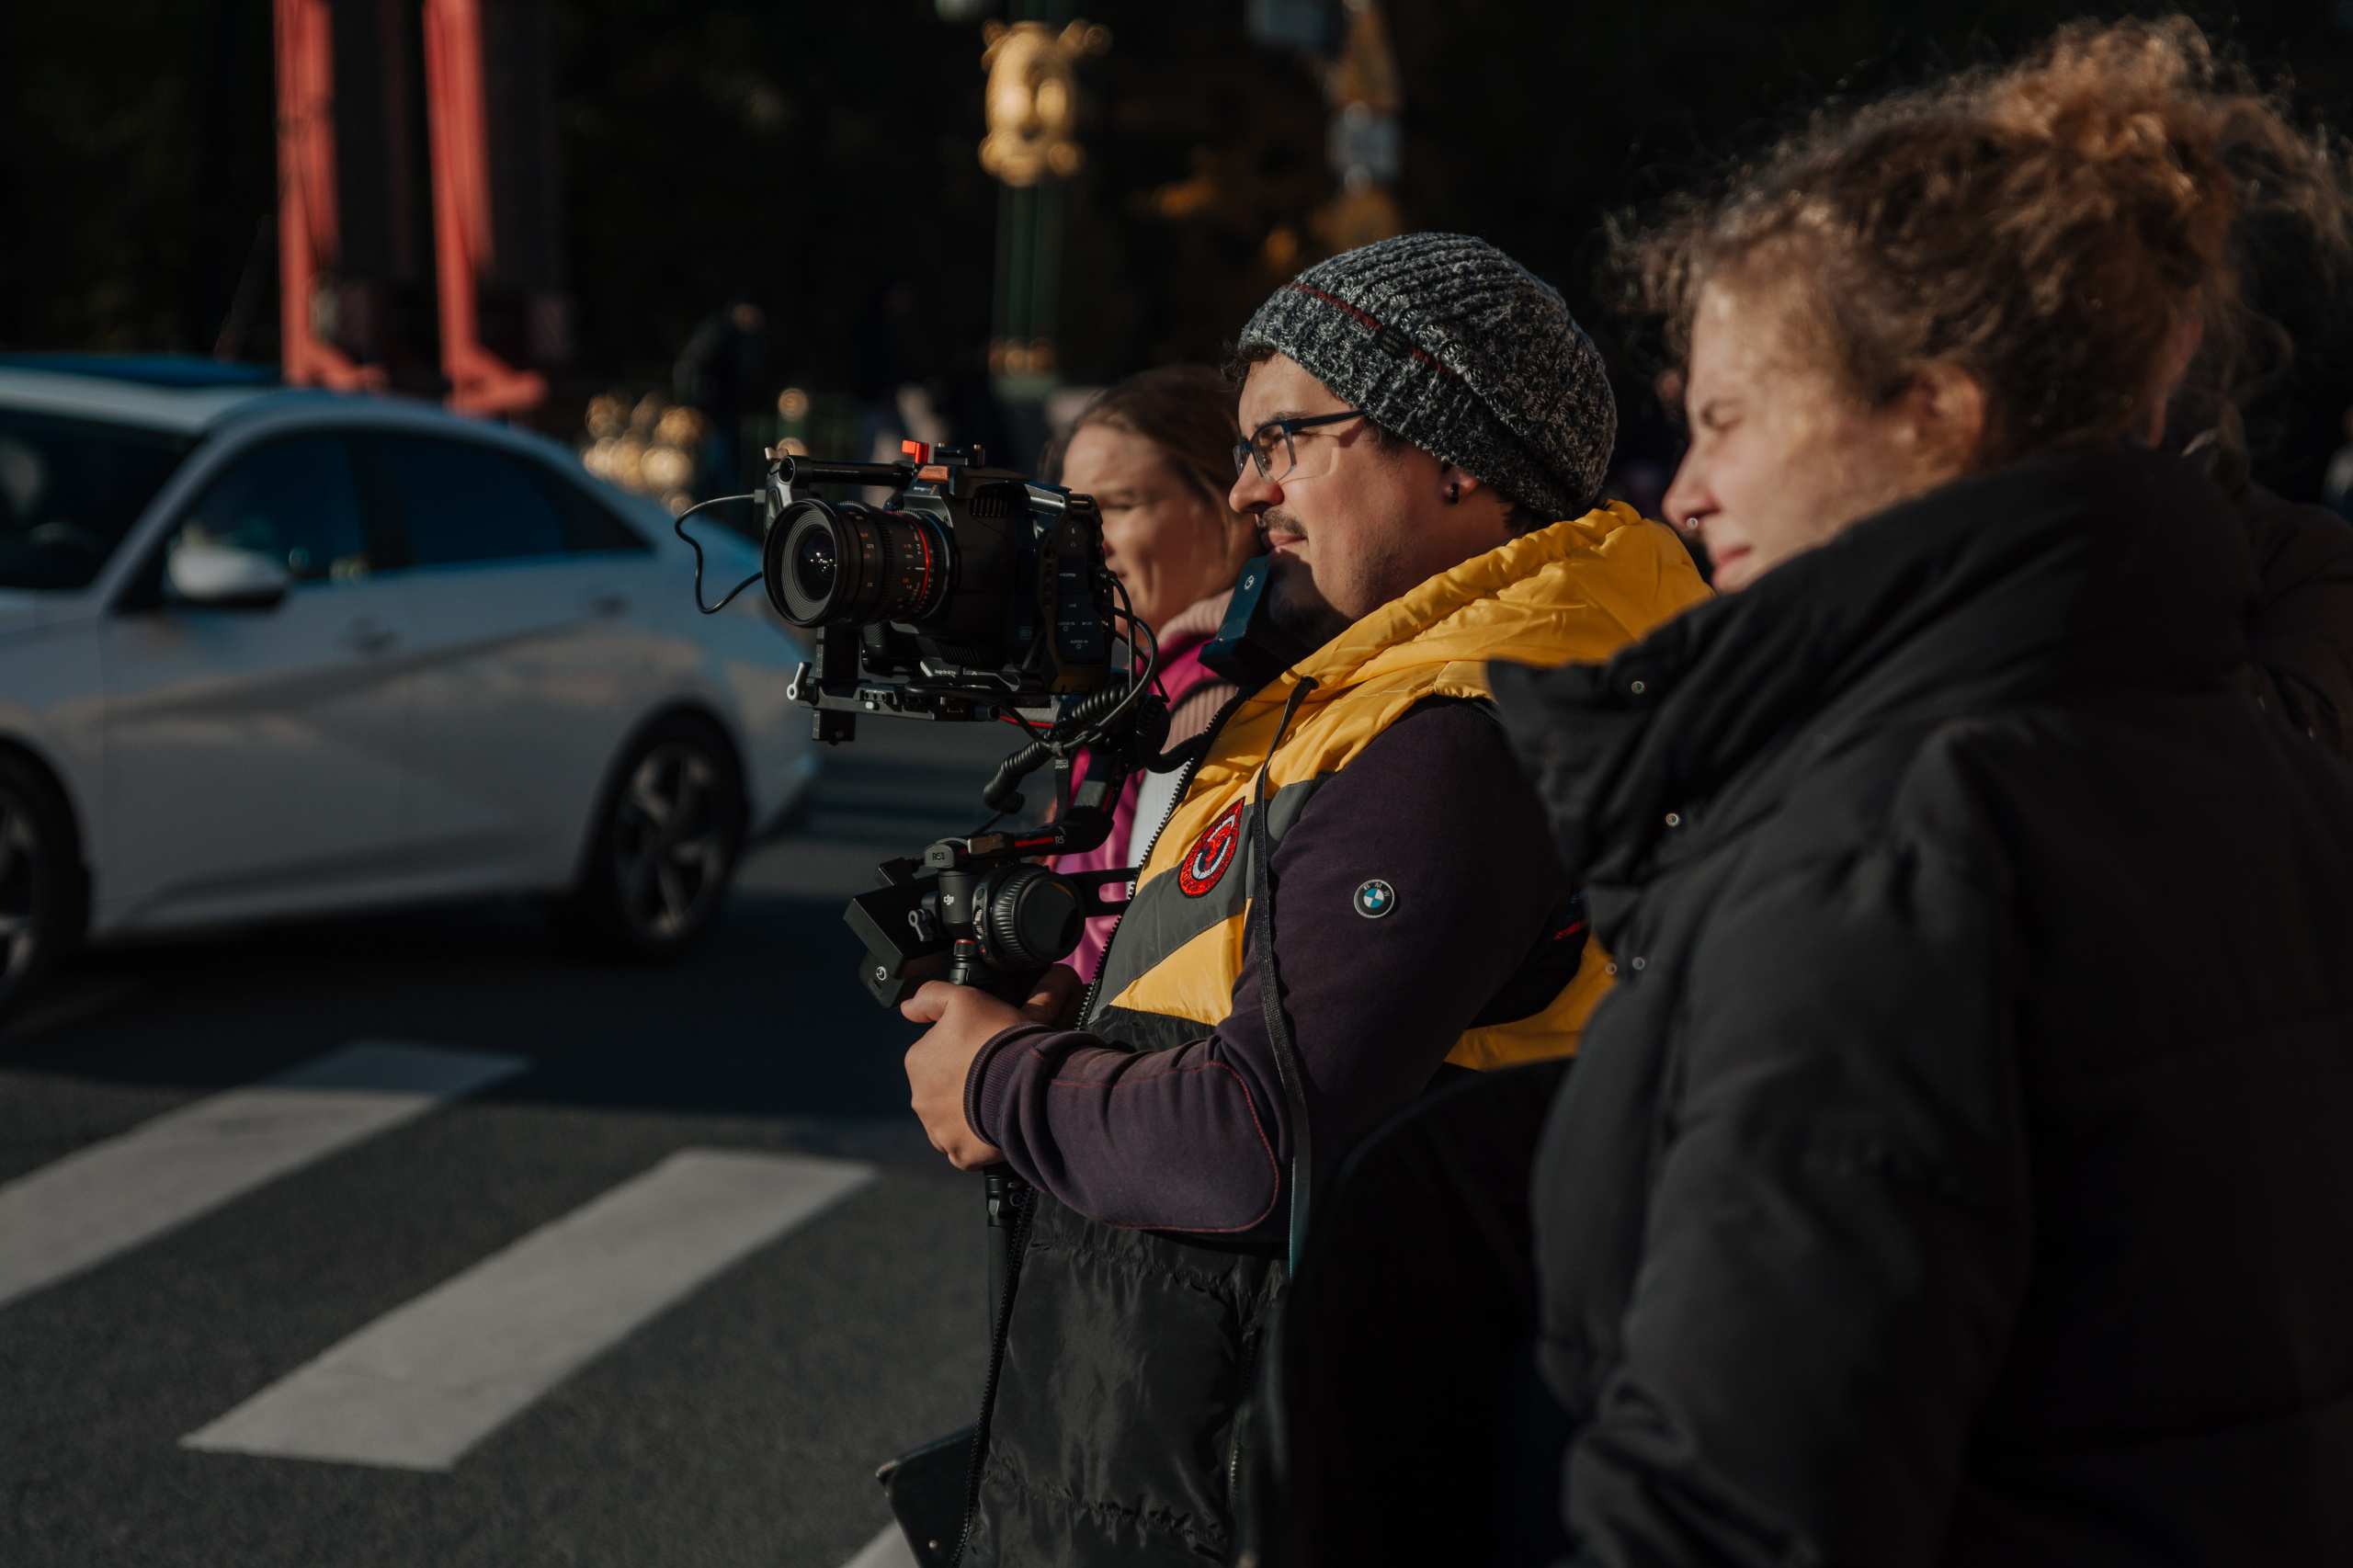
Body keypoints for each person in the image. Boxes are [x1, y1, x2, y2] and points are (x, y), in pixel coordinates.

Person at [1490, 19, 2353, 1565]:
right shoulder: (2272, 782)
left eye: (1728, 417)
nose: (1682, 490)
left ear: (1934, 417)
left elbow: (1733, 1514)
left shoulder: (1898, 857)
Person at [898, 233, 1711, 1565]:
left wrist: (1003, 1082)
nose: (1250, 489)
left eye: (1285, 439)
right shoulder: (1387, 693)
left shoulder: (1464, 730)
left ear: (1454, 456)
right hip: (1212, 1451)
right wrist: (1081, 1022)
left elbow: (1259, 1138)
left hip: (1283, 1477)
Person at [1047, 365, 1261, 979]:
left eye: (1119, 506)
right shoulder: (1151, 683)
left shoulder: (1212, 698)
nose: (1087, 543)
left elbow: (1155, 962)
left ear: (1231, 504)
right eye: (1072, 515)